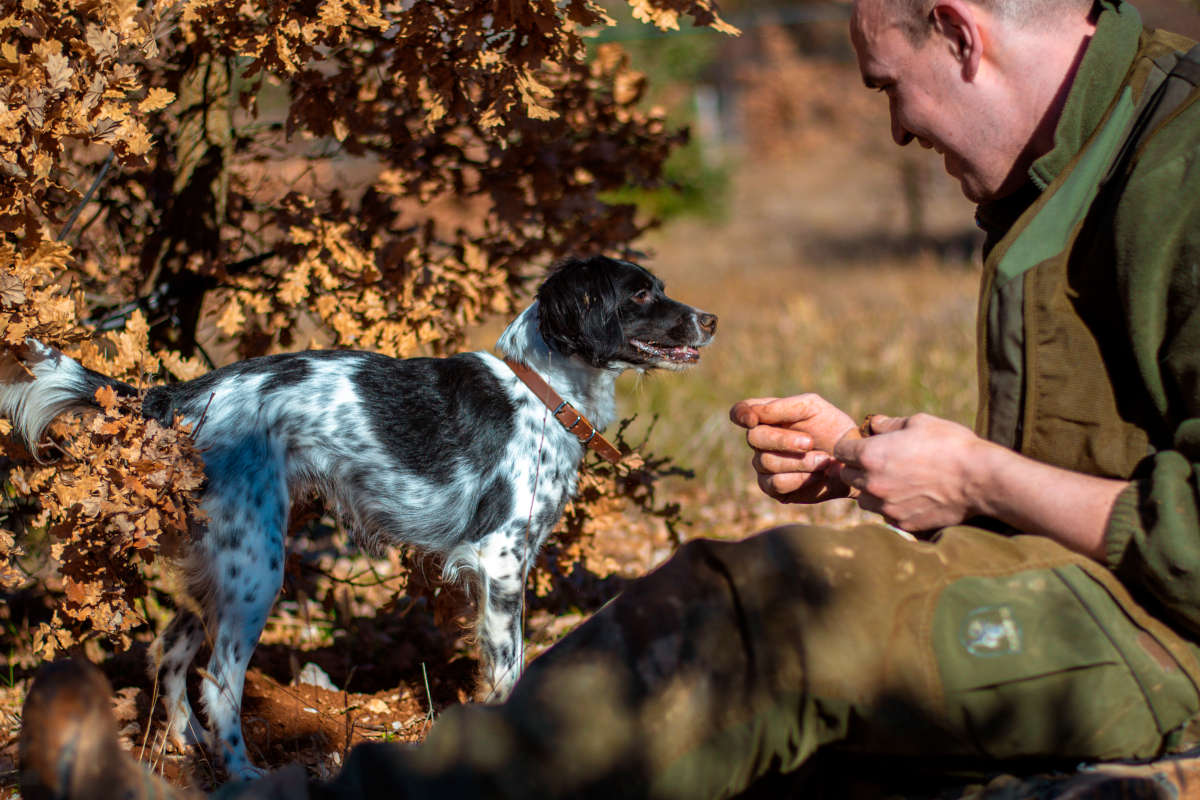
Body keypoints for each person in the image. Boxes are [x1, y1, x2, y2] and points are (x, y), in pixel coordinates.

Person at [19, 0, 1200, 798]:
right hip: (1073, 585)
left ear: (958, 32)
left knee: (757, 612)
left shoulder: (1178, 163)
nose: (893, 125)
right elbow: (1118, 452)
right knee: (728, 641)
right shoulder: (1066, 172)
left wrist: (981, 475)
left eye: (891, 86)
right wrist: (883, 459)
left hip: (1157, 633)